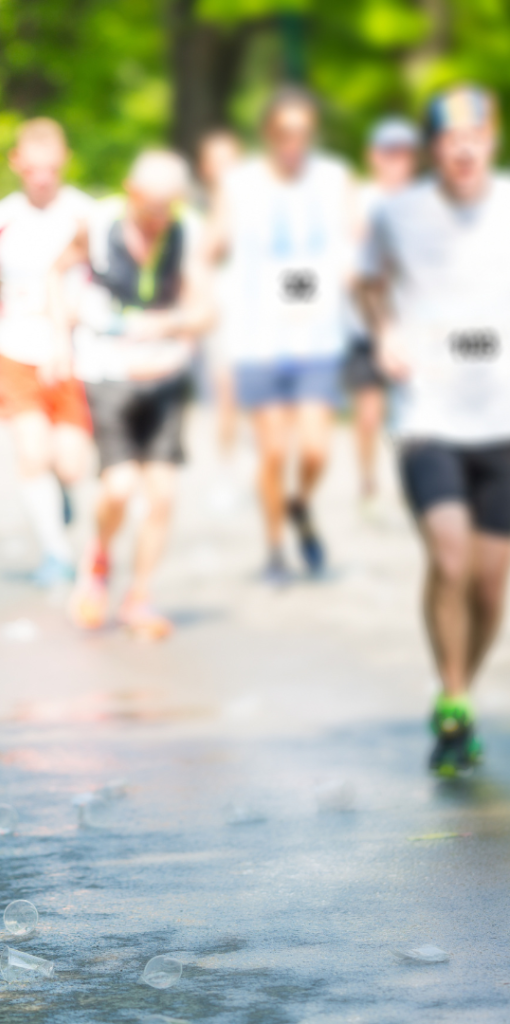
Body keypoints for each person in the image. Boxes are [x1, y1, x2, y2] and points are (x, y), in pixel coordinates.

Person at [358, 85, 510, 776]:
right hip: (428, 415)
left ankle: (461, 691)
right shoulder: (397, 212)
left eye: (474, 133)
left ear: (494, 136)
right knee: (449, 558)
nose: (463, 147)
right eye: (449, 138)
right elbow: (364, 282)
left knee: (489, 585)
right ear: (433, 150)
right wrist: (386, 330)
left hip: (502, 419)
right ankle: (452, 698)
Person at [53, 151, 212, 638]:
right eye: (151, 204)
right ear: (131, 191)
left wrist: (171, 331)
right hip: (106, 369)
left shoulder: (189, 234)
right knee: (119, 487)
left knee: (162, 495)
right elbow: (60, 271)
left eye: (169, 205)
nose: (158, 216)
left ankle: (140, 596)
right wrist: (61, 337)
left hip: (163, 372)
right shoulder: (98, 223)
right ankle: (97, 562)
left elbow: (205, 308)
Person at [208, 88, 357, 583]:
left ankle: (299, 503)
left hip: (317, 338)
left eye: (304, 134)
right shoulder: (239, 184)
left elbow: (359, 240)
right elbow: (212, 243)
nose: (295, 143)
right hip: (259, 338)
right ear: (268, 135)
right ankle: (274, 548)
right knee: (272, 451)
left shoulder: (335, 178)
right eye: (285, 133)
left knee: (316, 450)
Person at [0, 119, 94, 587]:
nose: (42, 177)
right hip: (14, 349)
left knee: (72, 464)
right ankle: (56, 554)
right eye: (33, 168)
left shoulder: (86, 215)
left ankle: (61, 495)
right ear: (18, 163)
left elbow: (108, 282)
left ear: (63, 163)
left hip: (74, 355)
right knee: (32, 452)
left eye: (51, 168)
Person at [345, 118, 419, 517]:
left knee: (414, 413)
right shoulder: (360, 198)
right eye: (390, 153)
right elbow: (347, 267)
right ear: (373, 157)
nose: (397, 161)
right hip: (366, 325)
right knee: (369, 413)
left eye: (405, 153)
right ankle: (367, 481)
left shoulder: (427, 199)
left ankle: (411, 484)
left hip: (414, 327)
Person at [196, 130, 244, 462]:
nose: (227, 170)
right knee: (226, 390)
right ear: (206, 168)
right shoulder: (198, 210)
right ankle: (228, 464)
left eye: (232, 161)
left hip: (261, 312)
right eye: (219, 163)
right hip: (221, 311)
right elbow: (206, 252)